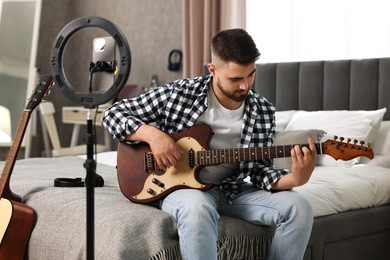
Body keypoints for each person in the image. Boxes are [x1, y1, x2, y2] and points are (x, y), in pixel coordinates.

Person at [102, 28, 317, 260]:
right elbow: (113, 113)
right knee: (197, 209)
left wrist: (295, 179)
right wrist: (153, 136)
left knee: (299, 207)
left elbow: (258, 171)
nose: (245, 86)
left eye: (251, 75)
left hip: (232, 190)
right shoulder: (180, 93)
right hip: (183, 188)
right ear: (213, 70)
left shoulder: (263, 110)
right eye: (235, 79)